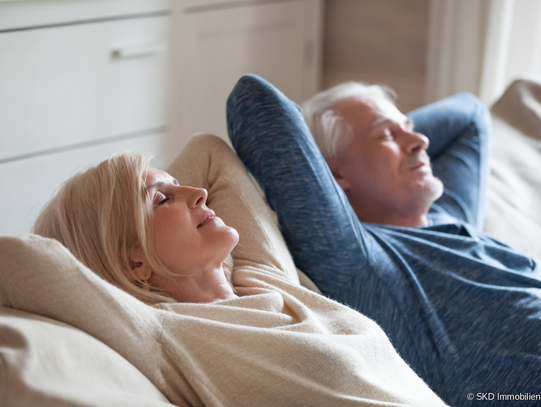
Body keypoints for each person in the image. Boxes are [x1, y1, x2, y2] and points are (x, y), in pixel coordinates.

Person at [27, 134, 447, 406]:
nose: (198, 192)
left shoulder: (259, 275)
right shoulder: (164, 334)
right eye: (162, 199)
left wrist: (145, 200)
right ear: (132, 261)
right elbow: (29, 265)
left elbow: (209, 152)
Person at [227, 74, 541, 407]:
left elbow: (471, 114)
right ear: (333, 176)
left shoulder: (451, 213)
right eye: (387, 135)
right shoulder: (361, 260)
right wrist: (335, 156)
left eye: (409, 124)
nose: (420, 139)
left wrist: (387, 137)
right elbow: (254, 101)